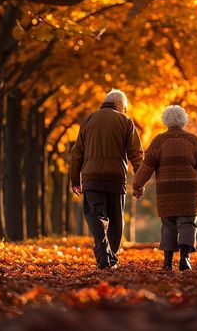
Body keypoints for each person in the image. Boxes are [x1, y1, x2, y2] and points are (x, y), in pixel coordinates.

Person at [70, 89, 143, 269]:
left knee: (96, 216)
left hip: (91, 178)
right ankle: (111, 257)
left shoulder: (88, 120)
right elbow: (136, 154)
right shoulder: (125, 122)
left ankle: (104, 254)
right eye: (124, 108)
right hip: (115, 179)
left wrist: (75, 180)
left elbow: (76, 153)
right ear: (119, 105)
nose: (124, 112)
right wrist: (140, 182)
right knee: (116, 221)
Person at [133, 105, 197, 271]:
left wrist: (138, 185)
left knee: (168, 224)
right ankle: (185, 259)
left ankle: (168, 262)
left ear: (165, 120)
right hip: (190, 190)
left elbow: (146, 166)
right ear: (184, 120)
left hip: (166, 189)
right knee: (187, 224)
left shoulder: (159, 141)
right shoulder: (194, 140)